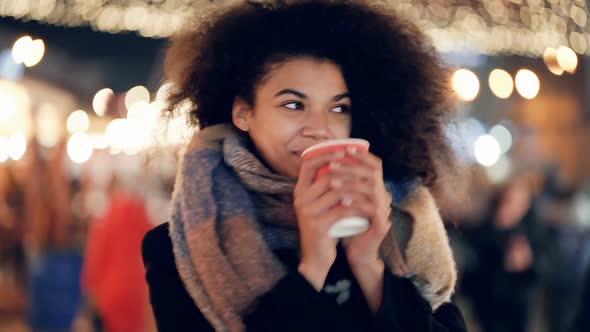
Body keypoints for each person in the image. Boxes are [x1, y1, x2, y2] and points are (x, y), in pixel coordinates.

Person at [142, 1, 467, 331]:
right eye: (294, 105)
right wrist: (313, 265)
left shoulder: (402, 223)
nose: (320, 128)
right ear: (243, 112)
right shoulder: (181, 249)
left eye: (339, 109)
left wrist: (369, 264)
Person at [461, 178, 542, 332]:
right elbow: (473, 266)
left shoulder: (532, 229)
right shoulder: (483, 228)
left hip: (519, 306)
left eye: (522, 202)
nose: (517, 207)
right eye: (512, 200)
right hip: (489, 306)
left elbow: (545, 266)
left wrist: (528, 261)